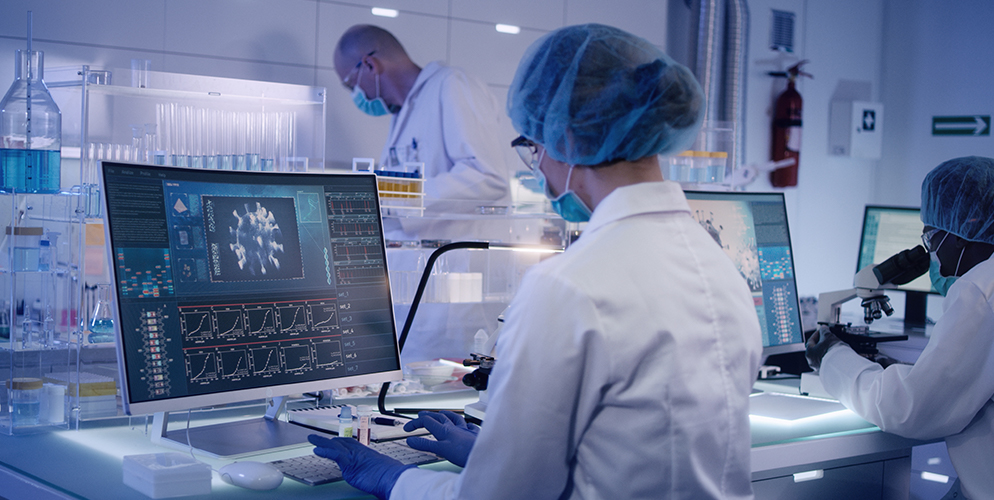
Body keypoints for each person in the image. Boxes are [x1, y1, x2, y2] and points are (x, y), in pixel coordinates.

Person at [309, 24, 764, 499]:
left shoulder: (568, 287)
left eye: (533, 147)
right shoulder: (718, 267)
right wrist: (492, 447)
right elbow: (638, 440)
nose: (538, 167)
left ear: (565, 136)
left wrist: (393, 478)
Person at [806, 156, 994, 500]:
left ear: (968, 225)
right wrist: (913, 373)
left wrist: (832, 359)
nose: (930, 251)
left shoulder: (981, 291)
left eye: (932, 235)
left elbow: (910, 409)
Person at [333, 24, 515, 238]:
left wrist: (396, 198)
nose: (357, 95)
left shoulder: (452, 84)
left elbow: (487, 178)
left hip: (460, 263)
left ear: (370, 65)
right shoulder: (404, 113)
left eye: (351, 85)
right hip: (420, 263)